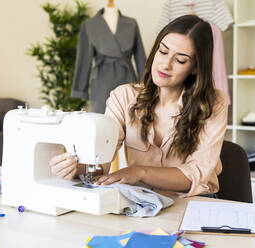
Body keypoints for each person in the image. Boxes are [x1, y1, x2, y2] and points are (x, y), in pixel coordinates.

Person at [50, 15, 229, 197]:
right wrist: (76, 168)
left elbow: (196, 174)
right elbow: (101, 163)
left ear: (196, 67)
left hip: (194, 202)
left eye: (180, 60)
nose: (165, 65)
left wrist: (139, 172)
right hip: (143, 199)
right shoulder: (123, 97)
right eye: (163, 52)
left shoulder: (214, 103)